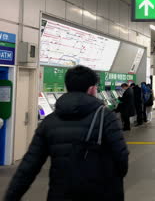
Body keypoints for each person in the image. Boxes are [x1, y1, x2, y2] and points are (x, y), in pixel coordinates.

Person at [4, 65, 129, 200]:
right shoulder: (106, 117)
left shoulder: (49, 121)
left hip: (61, 193)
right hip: (100, 192)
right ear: (92, 89)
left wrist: (11, 196)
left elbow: (29, 165)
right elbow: (121, 158)